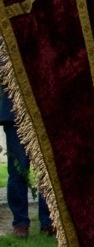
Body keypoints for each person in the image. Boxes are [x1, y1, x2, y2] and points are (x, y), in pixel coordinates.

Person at [1, 82, 52, 238]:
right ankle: (20, 223)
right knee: (18, 170)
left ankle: (49, 222)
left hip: (46, 110)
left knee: (47, 170)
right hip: (15, 113)